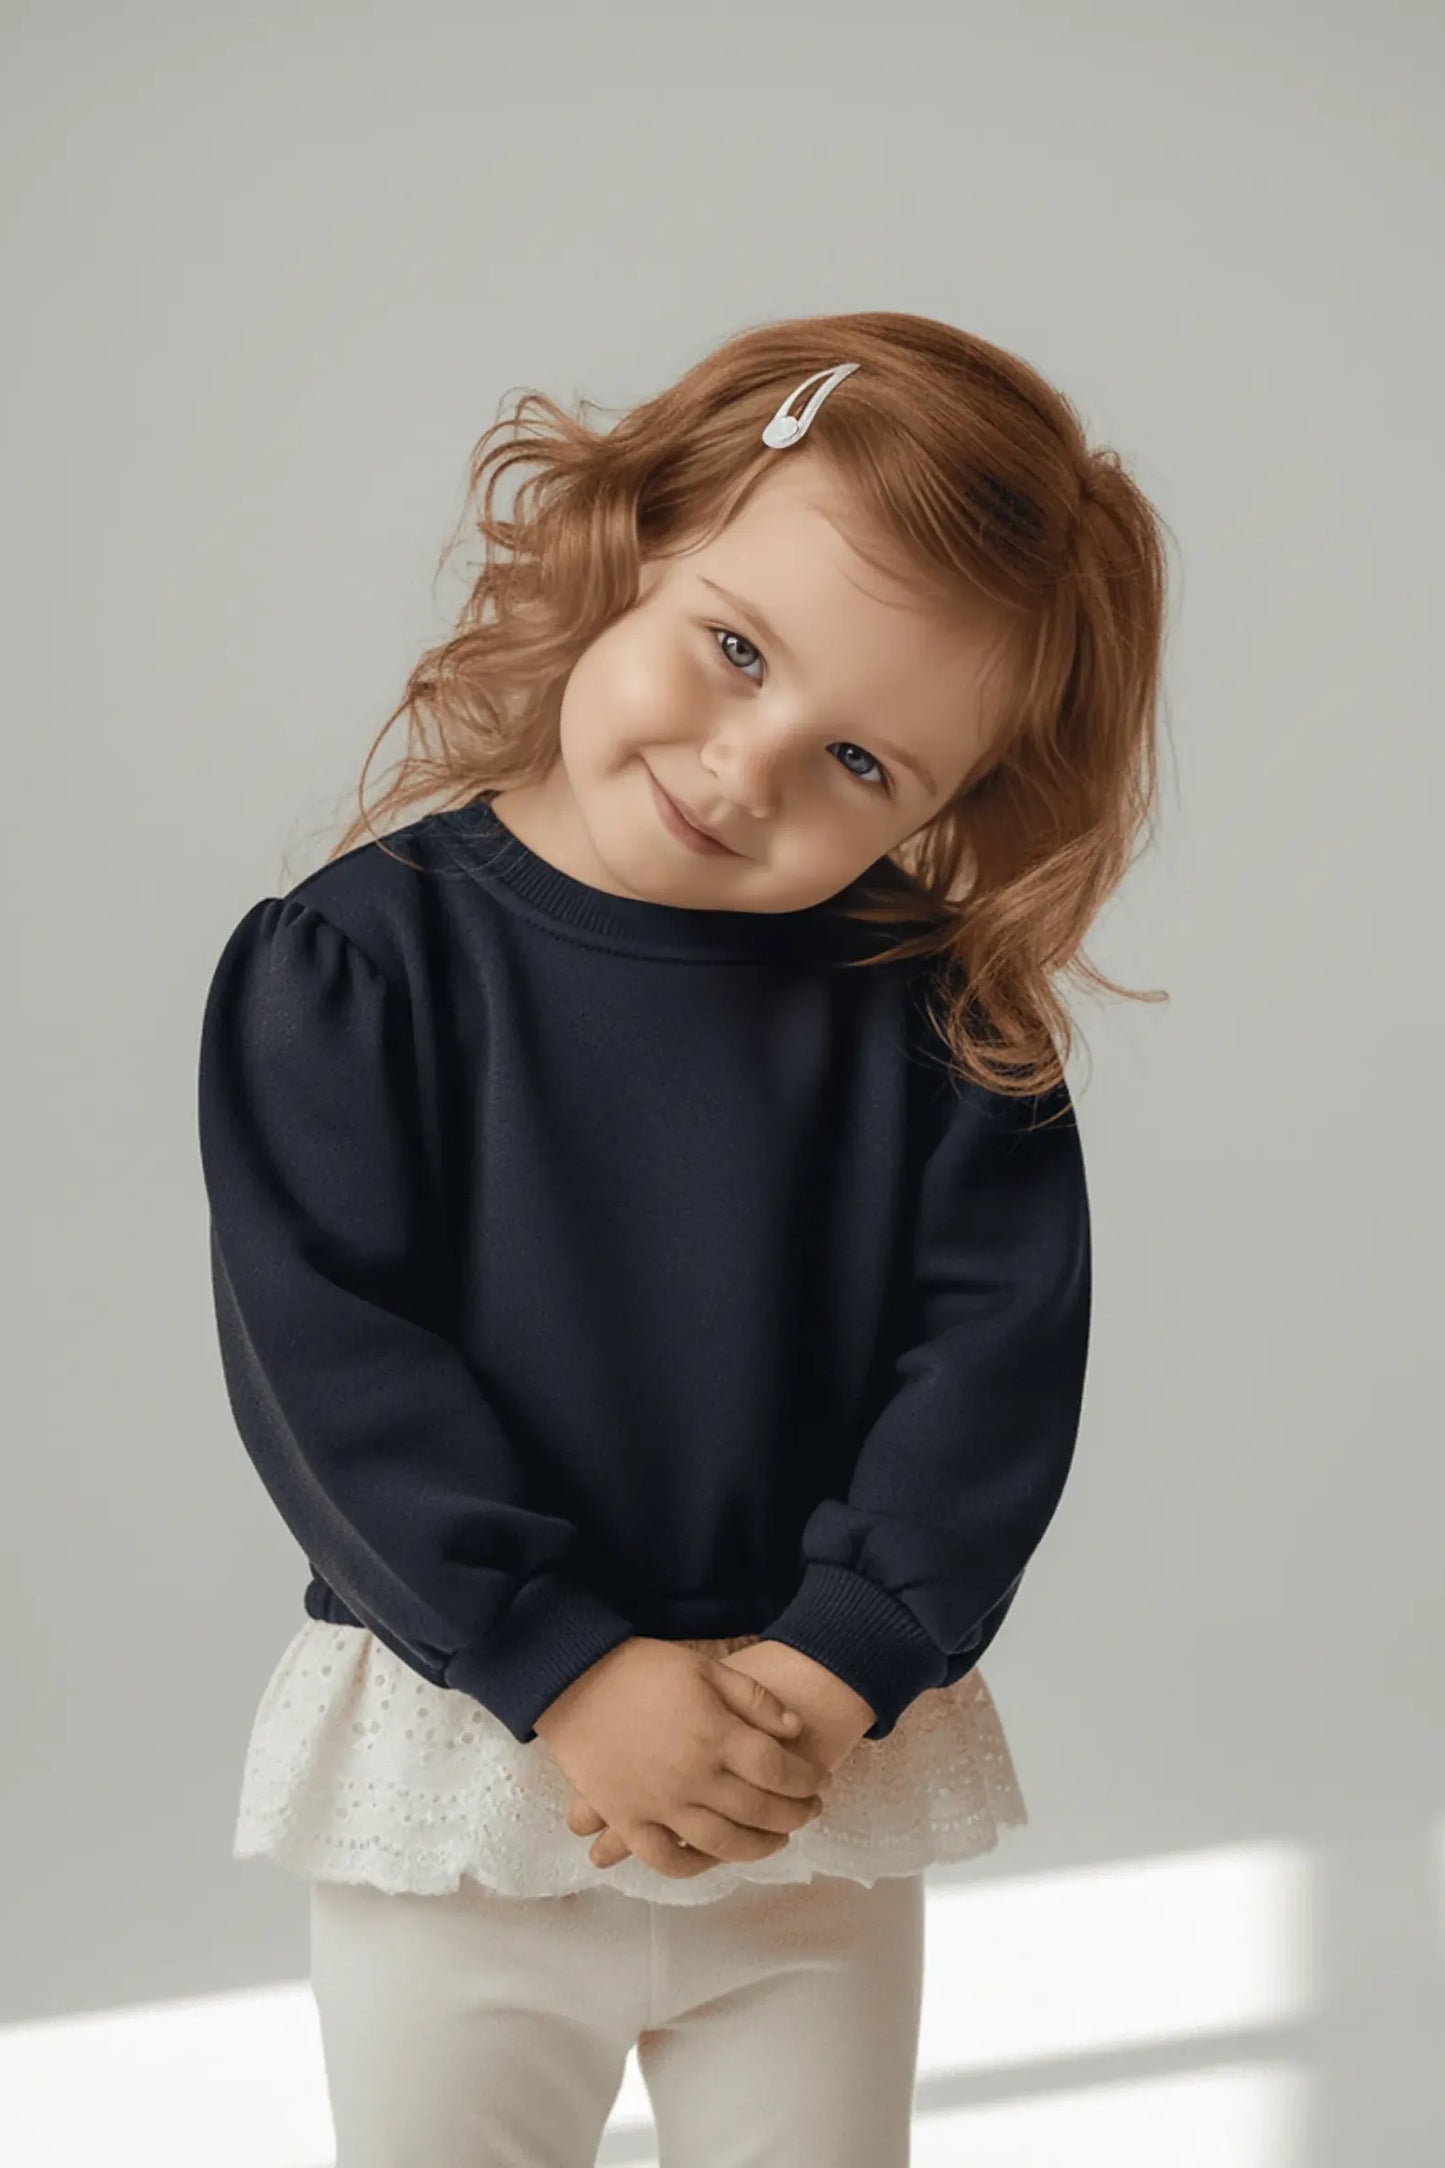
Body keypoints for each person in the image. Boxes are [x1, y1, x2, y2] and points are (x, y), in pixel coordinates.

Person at [196, 310, 1170, 2166]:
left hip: (809, 1783)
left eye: (864, 764)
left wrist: (832, 1659)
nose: (745, 769)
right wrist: (560, 1663)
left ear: (956, 806)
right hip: (466, 1800)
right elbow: (329, 1362)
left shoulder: (943, 1028)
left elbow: (991, 1371)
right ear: (641, 526)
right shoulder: (350, 969)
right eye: (732, 650)